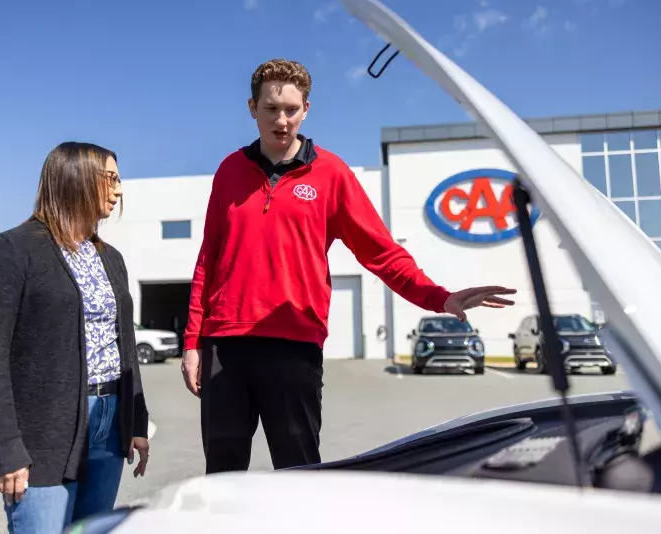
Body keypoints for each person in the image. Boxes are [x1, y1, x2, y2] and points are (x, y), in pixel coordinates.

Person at [180, 59, 516, 474]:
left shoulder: (331, 174)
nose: (281, 120)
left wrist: (439, 297)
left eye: (291, 109)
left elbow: (381, 252)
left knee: (300, 473)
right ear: (252, 108)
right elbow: (208, 259)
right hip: (225, 345)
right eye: (270, 109)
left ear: (306, 110)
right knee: (223, 478)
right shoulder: (230, 171)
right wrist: (193, 341)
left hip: (293, 346)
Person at [0, 142, 150, 533]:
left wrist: (136, 421)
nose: (119, 190)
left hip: (109, 420)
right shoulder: (15, 249)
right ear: (76, 177)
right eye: (112, 178)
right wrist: (4, 448)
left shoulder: (110, 257)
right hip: (43, 433)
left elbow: (125, 344)